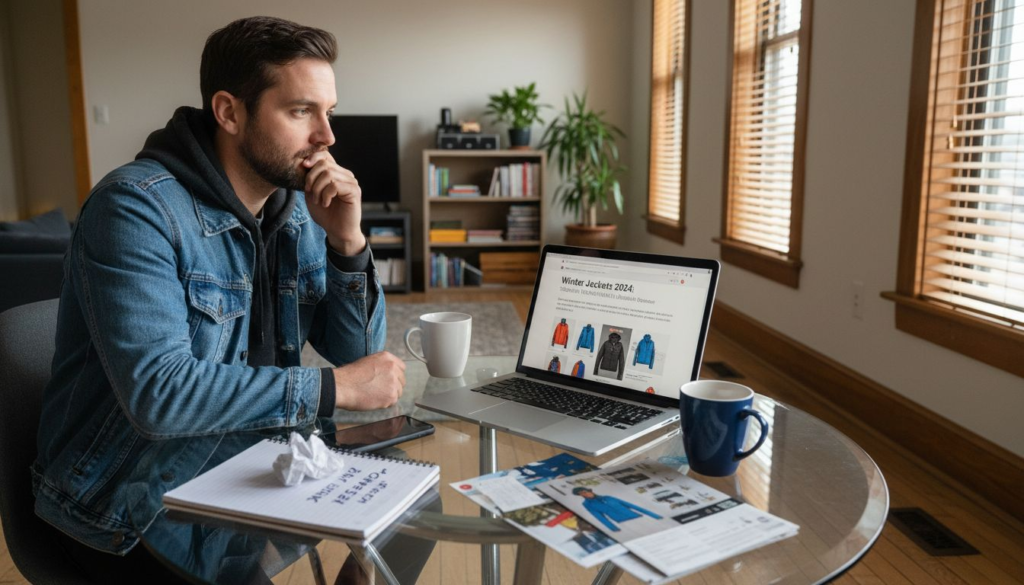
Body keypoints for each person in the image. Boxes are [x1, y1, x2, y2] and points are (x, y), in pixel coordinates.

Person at [31, 15, 425, 583]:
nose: (328, 137)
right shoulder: (135, 210)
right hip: (127, 500)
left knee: (412, 504)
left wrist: (347, 242)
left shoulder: (297, 211)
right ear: (229, 112)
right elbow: (158, 394)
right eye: (300, 112)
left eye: (329, 113)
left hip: (244, 459)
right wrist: (332, 389)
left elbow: (357, 349)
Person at [571, 487, 662, 533]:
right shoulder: (587, 504)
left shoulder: (608, 497)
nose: (585, 494)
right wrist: (613, 528)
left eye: (585, 491)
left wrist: (654, 515)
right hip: (624, 523)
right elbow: (600, 517)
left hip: (638, 517)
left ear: (590, 491)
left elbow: (632, 506)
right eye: (582, 494)